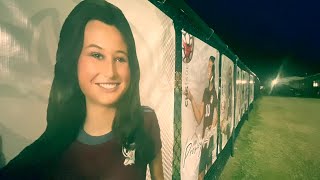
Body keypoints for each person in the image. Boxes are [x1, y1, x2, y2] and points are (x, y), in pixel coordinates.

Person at [0, 0, 164, 179]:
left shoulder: (146, 120)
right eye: (97, 55)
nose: (110, 72)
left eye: (120, 58)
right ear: (73, 60)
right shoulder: (48, 152)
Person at [184, 56, 218, 180]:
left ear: (214, 71)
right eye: (207, 67)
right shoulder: (205, 92)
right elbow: (199, 118)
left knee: (209, 167)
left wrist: (212, 130)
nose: (208, 70)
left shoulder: (215, 92)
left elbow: (216, 115)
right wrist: (192, 98)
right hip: (205, 139)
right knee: (200, 173)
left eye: (210, 67)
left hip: (211, 138)